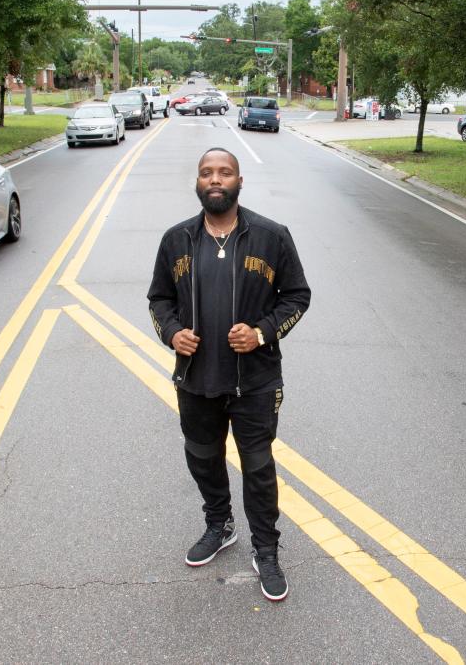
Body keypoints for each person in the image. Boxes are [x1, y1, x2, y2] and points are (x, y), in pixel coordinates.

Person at [148, 147, 310, 601]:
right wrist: (172, 333)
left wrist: (261, 332)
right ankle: (219, 523)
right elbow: (158, 301)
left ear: (239, 181)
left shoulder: (271, 237)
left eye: (224, 172)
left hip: (255, 381)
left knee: (258, 466)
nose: (215, 179)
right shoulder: (176, 239)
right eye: (206, 173)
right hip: (196, 379)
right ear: (197, 183)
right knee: (202, 456)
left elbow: (297, 296)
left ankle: (266, 548)